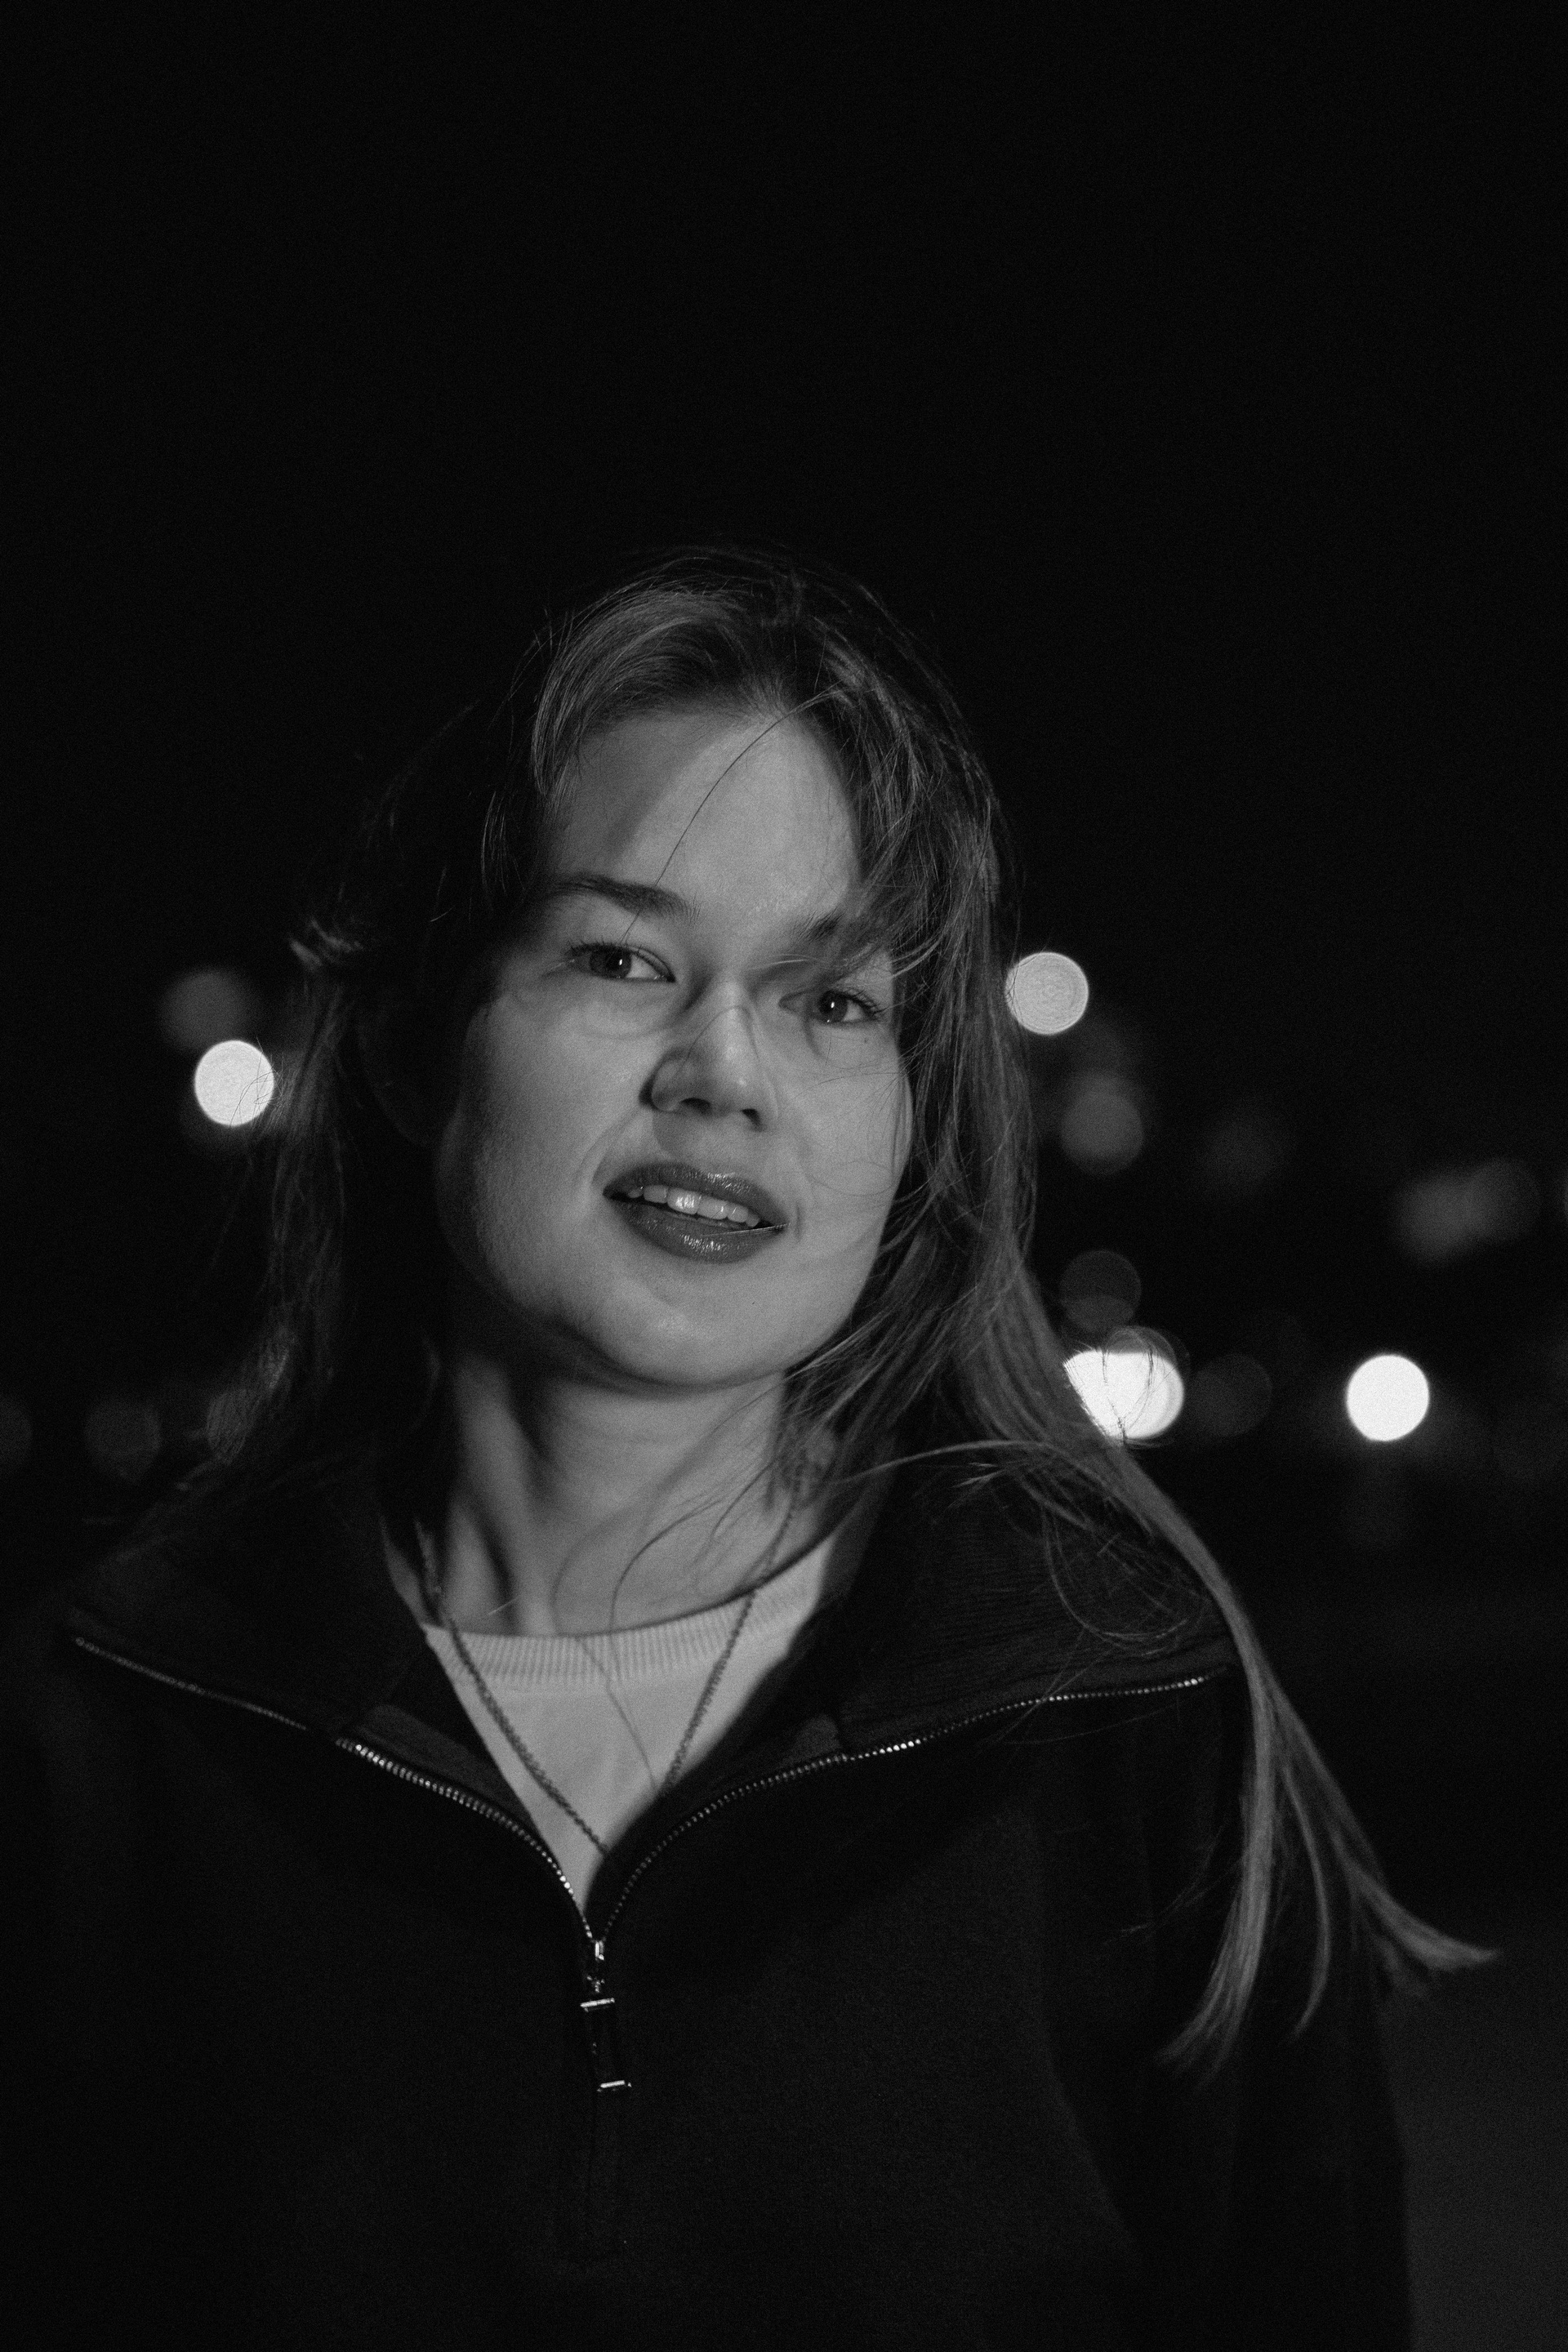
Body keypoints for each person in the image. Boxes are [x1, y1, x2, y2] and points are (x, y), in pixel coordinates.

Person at [2, 547, 1486, 2347]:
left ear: (915, 1124)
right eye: (622, 956)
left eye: (832, 999)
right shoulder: (107, 1734)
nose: (725, 1069)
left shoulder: (1126, 1722)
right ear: (411, 1046)